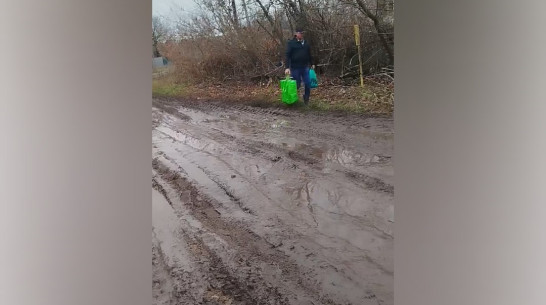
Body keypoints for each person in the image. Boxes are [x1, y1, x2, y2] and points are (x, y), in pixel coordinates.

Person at [285, 29, 314, 105]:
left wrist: (312, 63)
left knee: (307, 83)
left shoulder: (306, 43)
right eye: (299, 33)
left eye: (302, 33)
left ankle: (306, 98)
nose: (301, 34)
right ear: (296, 34)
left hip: (305, 67)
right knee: (297, 84)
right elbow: (287, 55)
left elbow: (309, 54)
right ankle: (292, 99)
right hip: (295, 68)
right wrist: (287, 67)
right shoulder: (291, 43)